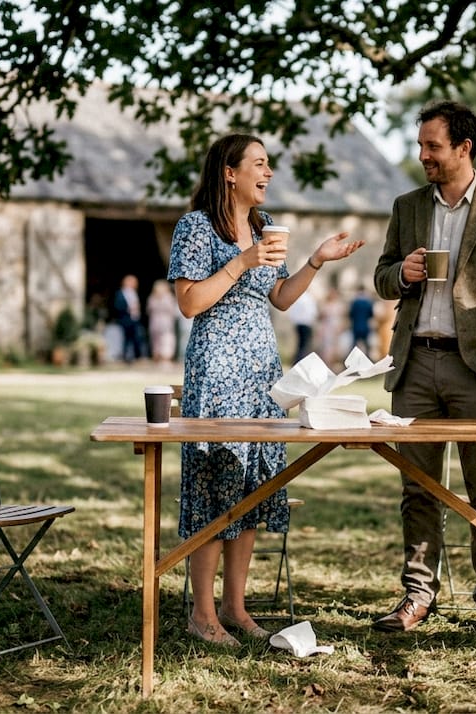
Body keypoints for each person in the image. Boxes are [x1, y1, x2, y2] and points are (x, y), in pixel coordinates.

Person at [168, 133, 364, 646]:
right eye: (259, 163)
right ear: (229, 173)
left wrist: (317, 260)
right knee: (216, 485)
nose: (269, 171)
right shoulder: (196, 227)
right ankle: (203, 614)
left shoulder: (263, 227)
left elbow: (278, 297)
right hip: (217, 370)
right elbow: (190, 303)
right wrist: (242, 261)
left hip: (260, 372)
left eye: (269, 163)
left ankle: (236, 607)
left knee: (252, 486)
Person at [372, 100, 476, 637]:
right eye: (421, 145)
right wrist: (403, 272)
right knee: (417, 488)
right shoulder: (407, 206)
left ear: (464, 148)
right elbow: (380, 277)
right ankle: (417, 595)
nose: (423, 155)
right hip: (415, 364)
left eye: (432, 146)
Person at [112, 274, 147, 363]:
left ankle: (137, 356)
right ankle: (126, 356)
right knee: (126, 338)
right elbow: (117, 305)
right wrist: (128, 309)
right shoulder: (120, 293)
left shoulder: (134, 293)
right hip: (125, 319)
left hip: (135, 319)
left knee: (137, 337)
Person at [146, 280, 179, 365]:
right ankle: (158, 357)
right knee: (157, 340)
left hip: (165, 322)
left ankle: (165, 358)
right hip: (157, 322)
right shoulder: (153, 298)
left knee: (166, 340)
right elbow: (149, 310)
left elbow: (173, 311)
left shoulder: (167, 297)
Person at [286, 288, 318, 365]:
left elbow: (292, 312)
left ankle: (298, 361)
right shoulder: (309, 298)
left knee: (300, 344)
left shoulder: (298, 298)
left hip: (298, 324)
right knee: (305, 345)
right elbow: (313, 312)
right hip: (306, 323)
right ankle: (301, 362)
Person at [348, 286, 375, 355]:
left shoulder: (354, 302)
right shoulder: (368, 302)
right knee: (366, 345)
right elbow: (371, 314)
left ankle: (352, 358)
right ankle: (368, 358)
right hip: (365, 326)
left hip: (356, 326)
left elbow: (350, 314)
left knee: (354, 345)